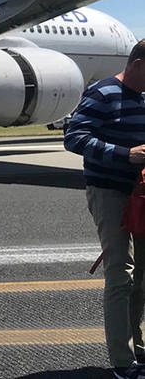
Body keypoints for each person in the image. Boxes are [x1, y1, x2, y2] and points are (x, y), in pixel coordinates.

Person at [66, 39, 145, 377]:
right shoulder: (103, 93)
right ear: (139, 64)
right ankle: (123, 361)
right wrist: (123, 154)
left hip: (141, 193)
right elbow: (74, 137)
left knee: (141, 276)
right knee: (120, 273)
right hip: (109, 192)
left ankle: (139, 352)